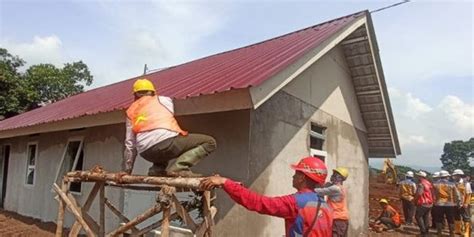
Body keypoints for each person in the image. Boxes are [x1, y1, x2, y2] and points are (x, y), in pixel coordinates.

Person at [200, 157, 333, 237]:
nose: (293, 176)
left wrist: (225, 182)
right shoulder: (326, 207)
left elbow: (258, 203)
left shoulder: (296, 202)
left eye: (296, 173)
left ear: (302, 177)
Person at [123, 79, 217, 177]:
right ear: (153, 92)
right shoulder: (163, 100)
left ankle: (157, 169)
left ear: (135, 95)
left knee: (163, 145)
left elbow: (130, 144)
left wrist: (127, 171)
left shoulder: (130, 111)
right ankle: (180, 168)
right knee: (209, 142)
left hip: (145, 152)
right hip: (166, 144)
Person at [314, 167, 349, 237]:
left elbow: (318, 191)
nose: (333, 176)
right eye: (333, 174)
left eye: (335, 175)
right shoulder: (341, 187)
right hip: (341, 219)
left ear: (341, 178)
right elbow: (327, 185)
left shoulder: (335, 189)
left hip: (337, 219)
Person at [432, 170, 460, 236]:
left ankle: (439, 233)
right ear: (447, 176)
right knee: (450, 219)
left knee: (439, 219)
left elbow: (433, 194)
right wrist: (458, 203)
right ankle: (452, 233)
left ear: (440, 177)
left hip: (439, 204)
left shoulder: (435, 184)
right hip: (450, 204)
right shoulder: (452, 184)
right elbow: (457, 195)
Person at [452, 169, 472, 237]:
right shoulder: (453, 183)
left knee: (465, 217)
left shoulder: (466, 183)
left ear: (459, 175)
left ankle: (466, 232)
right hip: (455, 203)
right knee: (456, 216)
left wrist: (466, 203)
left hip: (463, 203)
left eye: (455, 175)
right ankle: (458, 230)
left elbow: (468, 194)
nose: (454, 177)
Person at [414, 171, 434, 237]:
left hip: (423, 203)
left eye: (418, 176)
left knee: (418, 216)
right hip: (429, 203)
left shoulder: (421, 184)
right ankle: (426, 231)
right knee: (426, 217)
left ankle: (423, 232)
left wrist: (415, 200)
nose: (417, 177)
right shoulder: (428, 183)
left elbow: (419, 193)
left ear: (421, 177)